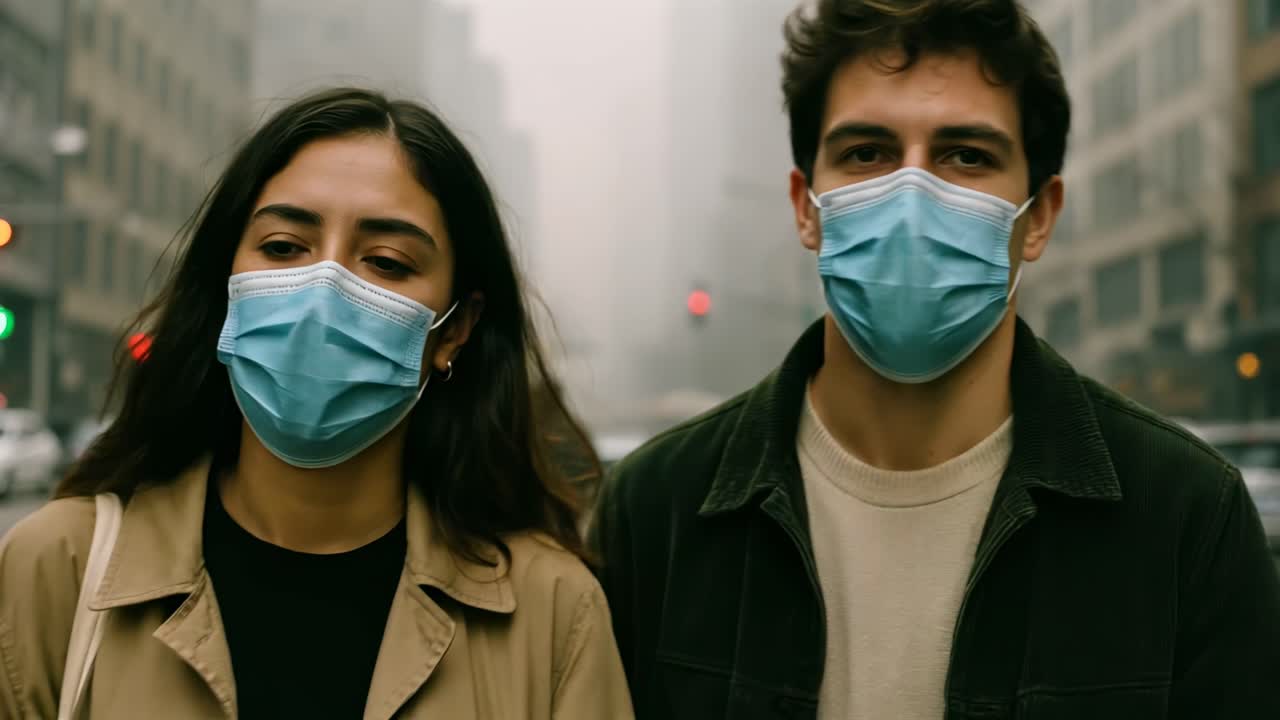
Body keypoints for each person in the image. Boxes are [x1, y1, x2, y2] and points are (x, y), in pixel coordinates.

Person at [590, 1, 1280, 718]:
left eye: (966, 156)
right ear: (806, 207)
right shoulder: (654, 515)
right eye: (867, 153)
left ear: (1038, 217)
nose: (912, 196)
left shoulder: (1187, 522)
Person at [0, 88, 633, 720]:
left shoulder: (552, 612)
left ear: (454, 330)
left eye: (386, 262)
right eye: (282, 248)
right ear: (226, 284)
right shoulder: (58, 570)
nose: (323, 288)